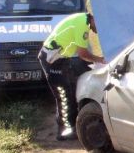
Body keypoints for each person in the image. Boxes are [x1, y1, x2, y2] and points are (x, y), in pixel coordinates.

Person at [38, 12, 105, 140]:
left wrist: (95, 60)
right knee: (63, 95)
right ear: (94, 19)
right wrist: (100, 60)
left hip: (61, 59)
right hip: (52, 60)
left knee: (71, 90)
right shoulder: (82, 24)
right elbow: (82, 53)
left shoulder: (83, 19)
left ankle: (72, 127)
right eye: (99, 27)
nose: (98, 31)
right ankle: (63, 132)